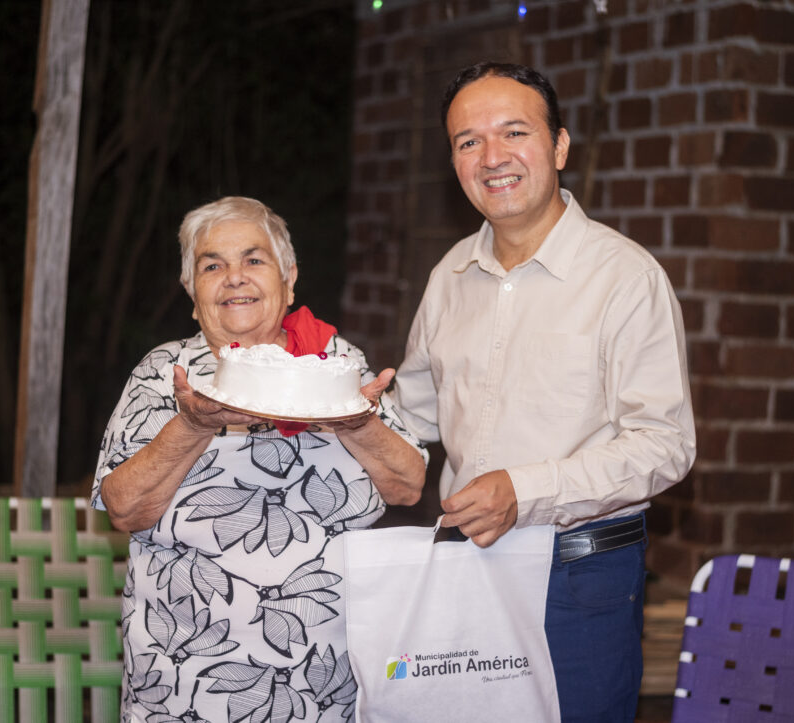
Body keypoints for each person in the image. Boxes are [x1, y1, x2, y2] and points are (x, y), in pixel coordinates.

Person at [392, 62, 696, 721]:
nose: (491, 156)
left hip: (580, 580)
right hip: (467, 569)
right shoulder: (449, 277)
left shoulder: (624, 278)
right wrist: (352, 410)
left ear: (559, 146)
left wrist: (523, 490)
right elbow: (413, 417)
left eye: (513, 132)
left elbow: (666, 446)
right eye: (468, 141)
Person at [92, 196, 426, 722]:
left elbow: (408, 486)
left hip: (326, 679)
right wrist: (193, 425)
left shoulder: (334, 364)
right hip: (186, 684)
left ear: (288, 279)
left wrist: (355, 421)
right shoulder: (165, 375)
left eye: (253, 259)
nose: (234, 277)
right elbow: (124, 509)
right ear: (192, 291)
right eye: (211, 265)